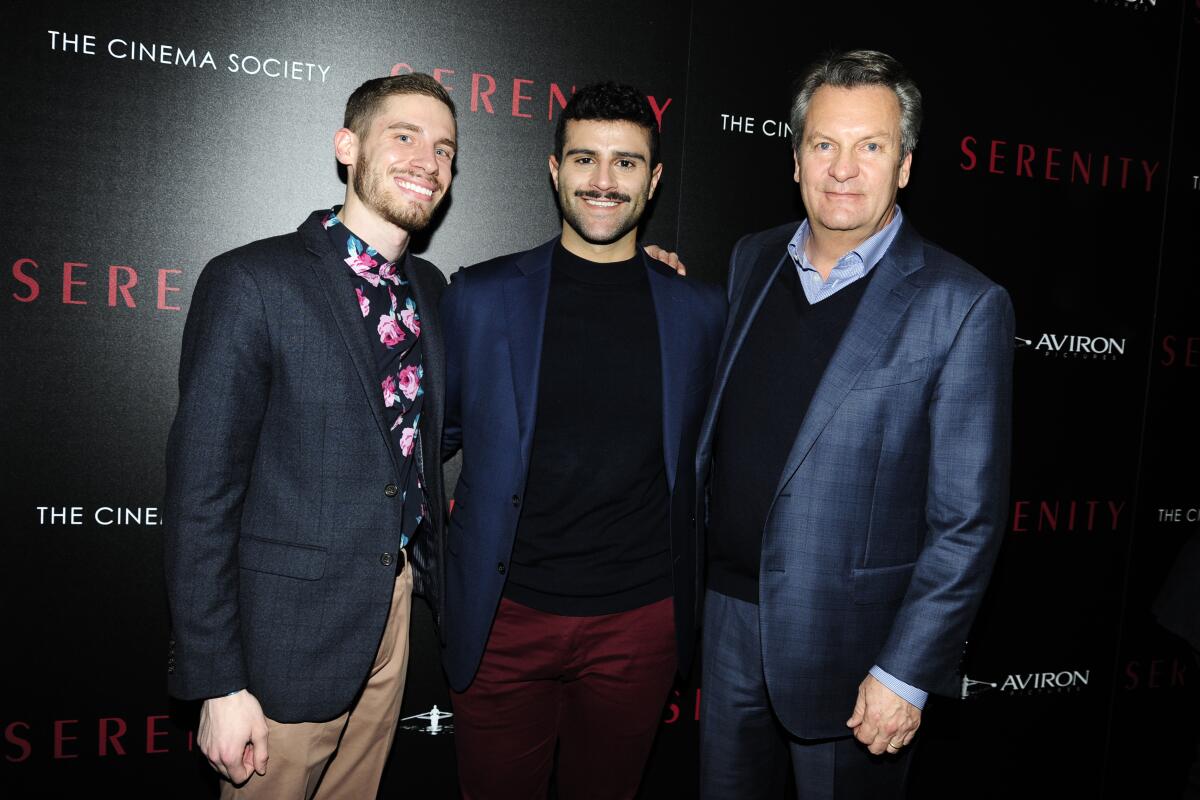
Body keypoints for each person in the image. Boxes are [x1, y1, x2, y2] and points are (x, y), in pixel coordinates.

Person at [695, 50, 1014, 798]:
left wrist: (906, 671)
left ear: (903, 165)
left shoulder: (961, 303)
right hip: (728, 619)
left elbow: (967, 520)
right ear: (798, 159)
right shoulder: (753, 258)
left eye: (870, 146)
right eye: (824, 144)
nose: (844, 168)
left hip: (856, 649)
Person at [163, 73, 455, 799]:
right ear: (347, 146)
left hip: (390, 615)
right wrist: (218, 682)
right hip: (281, 643)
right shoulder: (253, 281)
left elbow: (419, 439)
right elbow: (202, 493)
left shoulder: (434, 291)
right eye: (405, 136)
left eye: (445, 149)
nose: (429, 160)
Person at [439, 82, 725, 799]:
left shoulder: (700, 310)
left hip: (640, 622)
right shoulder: (479, 295)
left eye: (626, 163)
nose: (603, 181)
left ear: (653, 181)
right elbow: (426, 443)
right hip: (503, 620)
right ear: (554, 169)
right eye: (585, 160)